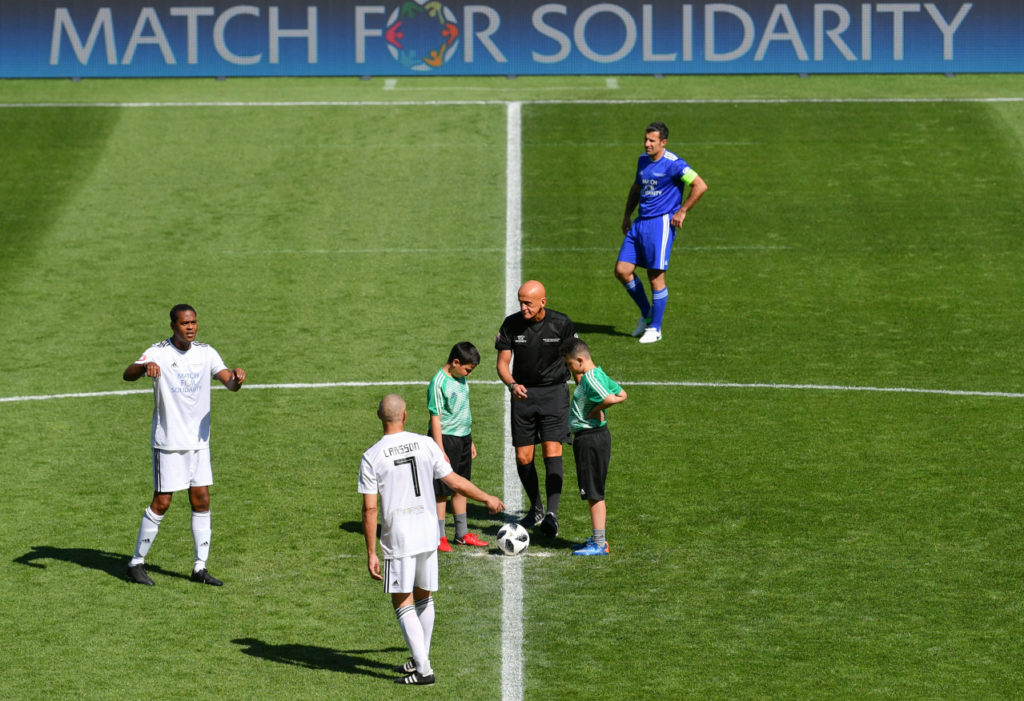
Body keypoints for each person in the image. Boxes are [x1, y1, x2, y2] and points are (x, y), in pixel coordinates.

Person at [360, 394, 505, 686]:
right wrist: (486, 497)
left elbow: (370, 509)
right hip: (428, 532)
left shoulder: (372, 456)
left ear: (379, 416)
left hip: (399, 537)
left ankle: (424, 670)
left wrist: (371, 552)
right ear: (405, 416)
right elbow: (454, 481)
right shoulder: (426, 444)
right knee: (424, 596)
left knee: (402, 600)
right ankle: (419, 659)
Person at [123, 304, 246, 586]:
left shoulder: (206, 353)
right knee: (162, 502)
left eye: (193, 323)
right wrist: (144, 368)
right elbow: (127, 374)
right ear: (173, 326)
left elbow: (229, 383)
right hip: (168, 442)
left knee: (201, 500)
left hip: (199, 443)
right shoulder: (158, 352)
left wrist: (237, 378)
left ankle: (199, 568)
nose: (190, 328)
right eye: (184, 323)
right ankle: (136, 563)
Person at [495, 280, 577, 537]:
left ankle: (552, 514)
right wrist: (512, 385)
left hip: (554, 395)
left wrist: (586, 395)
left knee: (552, 451)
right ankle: (537, 507)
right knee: (523, 457)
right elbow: (502, 363)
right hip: (523, 396)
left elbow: (577, 361)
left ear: (543, 302)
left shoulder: (561, 324)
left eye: (528, 303)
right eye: (520, 302)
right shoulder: (511, 324)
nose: (523, 308)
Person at [616, 121, 708, 344]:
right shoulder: (643, 160)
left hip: (660, 224)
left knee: (655, 276)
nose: (647, 144)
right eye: (645, 139)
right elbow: (636, 187)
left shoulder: (674, 164)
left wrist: (682, 211)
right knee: (622, 270)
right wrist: (627, 215)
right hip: (640, 223)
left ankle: (655, 328)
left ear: (663, 142)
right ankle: (647, 314)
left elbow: (700, 185)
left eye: (652, 141)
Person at [561, 338, 627, 556]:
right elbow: (622, 394)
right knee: (593, 490)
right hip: (592, 437)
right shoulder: (598, 374)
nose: (570, 369)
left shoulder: (590, 378)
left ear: (580, 360)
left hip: (590, 438)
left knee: (594, 492)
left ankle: (599, 543)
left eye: (570, 364)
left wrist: (594, 410)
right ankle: (597, 539)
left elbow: (611, 398)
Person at [427, 341, 488, 551]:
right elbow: (435, 417)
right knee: (442, 491)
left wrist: (470, 440)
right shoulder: (438, 382)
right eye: (467, 370)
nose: (468, 374)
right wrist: (440, 449)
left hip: (463, 438)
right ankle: (439, 537)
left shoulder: (460, 378)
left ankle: (461, 534)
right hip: (445, 439)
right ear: (455, 362)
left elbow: (463, 410)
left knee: (461, 486)